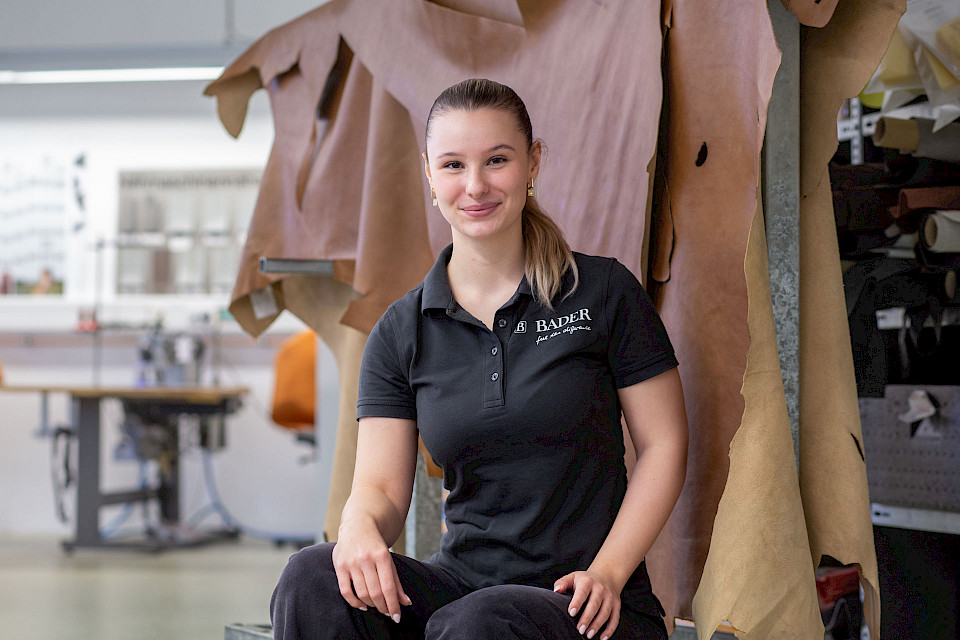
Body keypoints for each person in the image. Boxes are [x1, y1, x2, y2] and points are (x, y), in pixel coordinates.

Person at [271, 78, 688, 640]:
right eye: (452, 165)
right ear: (428, 173)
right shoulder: (402, 330)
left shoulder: (602, 292)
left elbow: (664, 445)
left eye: (497, 160)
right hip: (461, 590)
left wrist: (609, 573)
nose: (474, 186)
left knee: (477, 625)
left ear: (533, 162)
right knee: (311, 577)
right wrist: (358, 527)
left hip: (587, 603)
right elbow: (383, 490)